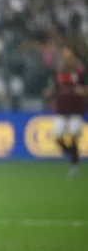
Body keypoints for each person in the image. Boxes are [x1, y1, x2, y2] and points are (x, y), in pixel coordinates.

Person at [45, 46, 87, 177]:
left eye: (68, 55)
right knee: (58, 137)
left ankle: (74, 164)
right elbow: (56, 88)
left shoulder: (81, 72)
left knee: (74, 137)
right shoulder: (59, 73)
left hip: (75, 109)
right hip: (61, 109)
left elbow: (85, 87)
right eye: (64, 55)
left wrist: (83, 91)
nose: (66, 58)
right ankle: (73, 155)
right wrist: (51, 95)